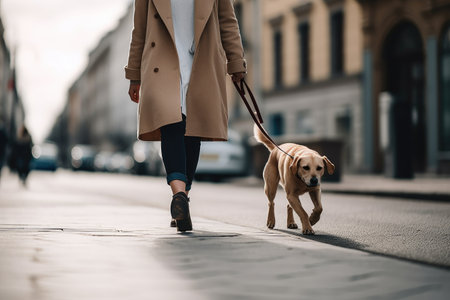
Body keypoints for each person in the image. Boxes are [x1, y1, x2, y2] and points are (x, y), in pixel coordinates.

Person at [125, 0, 246, 232]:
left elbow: (137, 31)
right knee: (186, 129)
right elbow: (229, 23)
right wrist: (236, 62)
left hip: (196, 61)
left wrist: (134, 76)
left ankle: (180, 197)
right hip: (175, 61)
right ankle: (182, 198)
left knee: (178, 128)